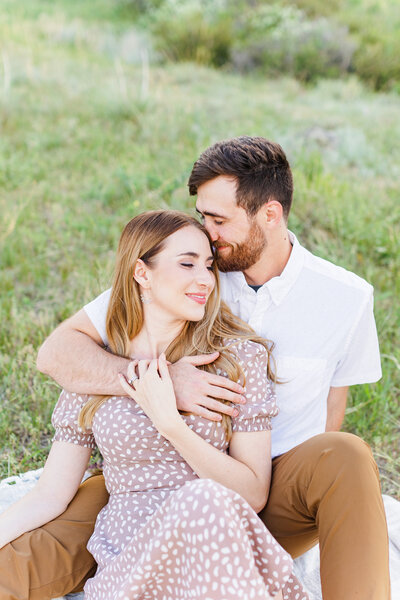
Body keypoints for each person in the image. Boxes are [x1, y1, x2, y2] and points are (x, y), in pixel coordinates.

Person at [0, 137, 390, 600]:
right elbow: (59, 353)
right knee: (40, 543)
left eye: (218, 220)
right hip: (137, 488)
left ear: (269, 214)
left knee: (341, 453)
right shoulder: (186, 270)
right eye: (203, 217)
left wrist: (179, 427)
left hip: (263, 483)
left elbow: (333, 405)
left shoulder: (344, 297)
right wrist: (158, 381)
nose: (208, 234)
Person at [0, 210, 309, 600]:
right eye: (187, 264)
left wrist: (172, 425)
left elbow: (251, 494)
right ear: (141, 273)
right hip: (133, 560)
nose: (205, 279)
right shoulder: (96, 367)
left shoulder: (237, 359)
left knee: (204, 498)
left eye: (210, 266)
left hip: (217, 551)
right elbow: (49, 495)